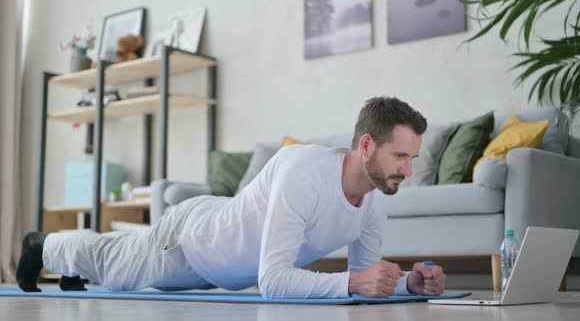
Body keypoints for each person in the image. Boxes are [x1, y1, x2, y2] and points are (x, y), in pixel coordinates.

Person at [16, 96, 446, 298]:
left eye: (413, 158)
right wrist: (353, 281)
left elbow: (367, 279)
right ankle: (43, 246)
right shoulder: (304, 172)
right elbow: (274, 281)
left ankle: (72, 258)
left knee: (111, 253)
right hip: (192, 241)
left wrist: (407, 283)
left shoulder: (374, 198)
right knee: (115, 269)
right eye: (400, 156)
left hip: (223, 267)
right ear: (367, 145)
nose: (408, 170)